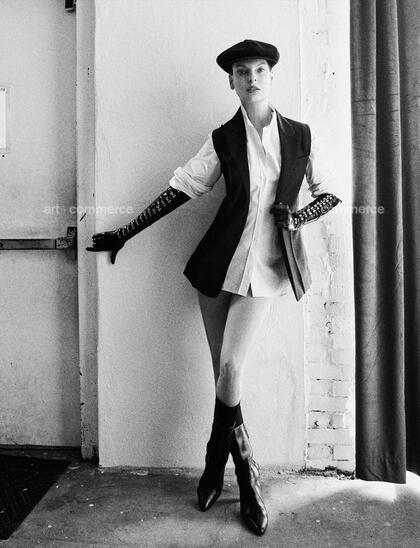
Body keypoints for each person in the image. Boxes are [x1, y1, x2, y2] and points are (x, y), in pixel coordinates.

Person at [87, 39, 341, 536]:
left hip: (266, 268)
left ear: (271, 76)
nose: (252, 78)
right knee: (223, 376)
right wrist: (125, 232)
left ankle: (231, 472)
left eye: (260, 69)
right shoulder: (223, 137)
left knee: (230, 368)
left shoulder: (300, 135)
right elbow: (183, 187)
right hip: (215, 266)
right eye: (242, 72)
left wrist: (297, 218)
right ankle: (234, 469)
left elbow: (329, 193)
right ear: (232, 82)